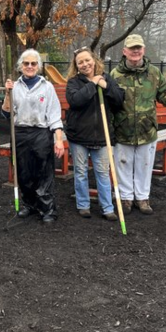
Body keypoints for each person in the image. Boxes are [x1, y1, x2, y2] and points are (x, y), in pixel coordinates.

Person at [110, 34, 166, 215]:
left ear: (143, 50)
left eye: (138, 48)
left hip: (147, 129)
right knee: (123, 164)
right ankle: (126, 198)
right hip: (123, 128)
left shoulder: (153, 73)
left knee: (144, 165)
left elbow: (164, 96)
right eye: (132, 48)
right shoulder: (115, 75)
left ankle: (142, 197)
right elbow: (110, 103)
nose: (135, 51)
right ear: (124, 52)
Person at [2, 49, 65, 223]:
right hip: (20, 133)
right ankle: (29, 205)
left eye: (33, 63)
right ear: (20, 66)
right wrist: (7, 93)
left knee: (44, 172)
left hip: (41, 133)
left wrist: (58, 139)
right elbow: (6, 113)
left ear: (38, 66)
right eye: (26, 63)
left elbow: (54, 115)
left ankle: (47, 209)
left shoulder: (47, 86)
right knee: (24, 172)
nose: (29, 66)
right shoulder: (15, 86)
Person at [65, 47, 124, 220]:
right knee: (81, 172)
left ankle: (107, 207)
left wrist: (105, 86)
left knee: (103, 172)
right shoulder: (74, 82)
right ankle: (83, 205)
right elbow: (75, 101)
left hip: (102, 136)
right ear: (76, 66)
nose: (85, 64)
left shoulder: (107, 78)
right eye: (80, 62)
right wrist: (92, 84)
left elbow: (119, 100)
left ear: (94, 60)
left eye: (87, 60)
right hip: (79, 136)